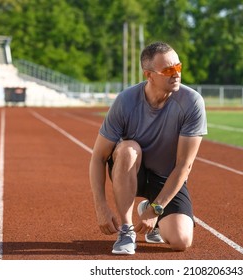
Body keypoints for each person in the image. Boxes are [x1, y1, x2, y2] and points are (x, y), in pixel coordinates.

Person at [89, 41, 207, 255]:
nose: (176, 74)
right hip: (133, 170)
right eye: (169, 70)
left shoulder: (192, 102)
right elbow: (98, 157)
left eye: (179, 67)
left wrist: (156, 208)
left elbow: (184, 165)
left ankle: (150, 209)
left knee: (181, 241)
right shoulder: (125, 102)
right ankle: (126, 230)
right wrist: (100, 206)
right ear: (149, 75)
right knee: (127, 148)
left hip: (167, 177)